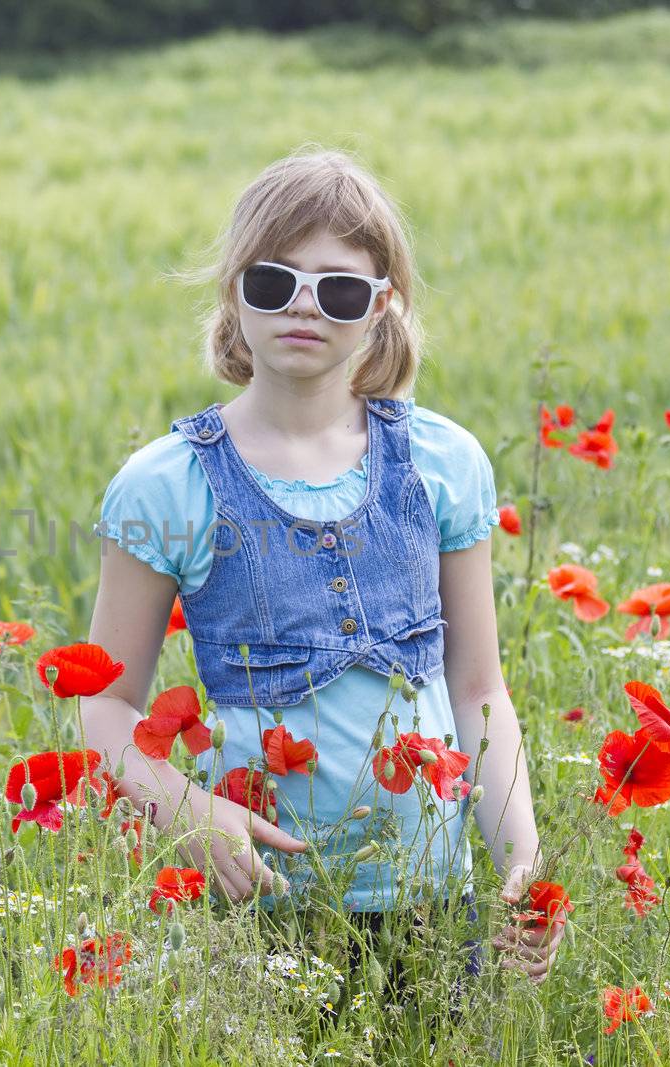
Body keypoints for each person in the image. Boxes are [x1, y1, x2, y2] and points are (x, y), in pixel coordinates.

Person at [79, 146, 562, 983]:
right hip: (260, 911)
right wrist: (193, 814)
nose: (304, 307)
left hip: (430, 901)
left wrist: (522, 858)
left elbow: (479, 690)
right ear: (234, 291)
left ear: (384, 307)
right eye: (273, 281)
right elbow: (103, 706)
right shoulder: (170, 482)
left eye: (339, 289)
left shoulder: (442, 463)